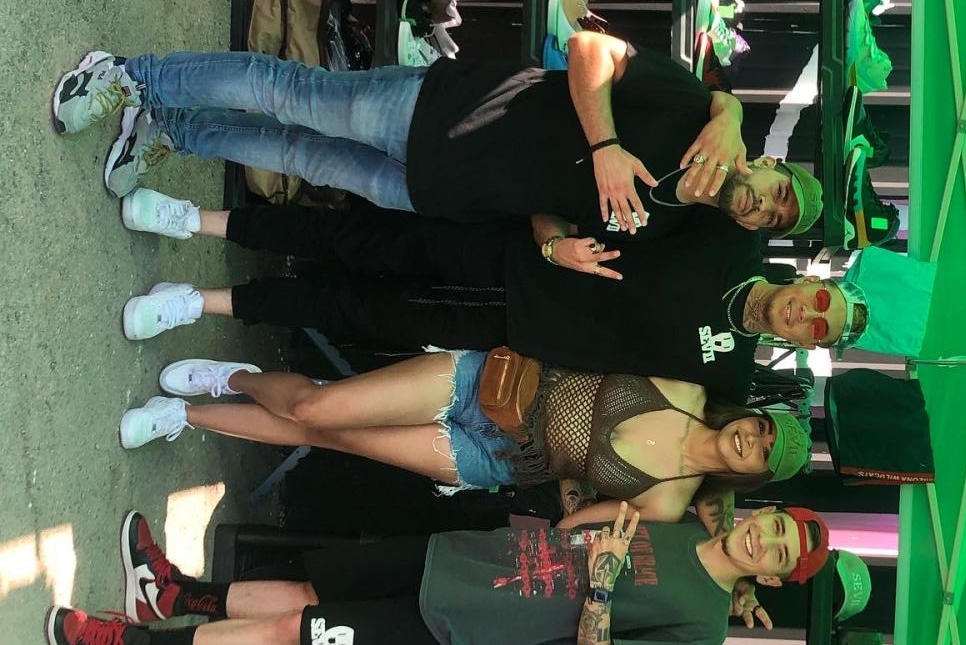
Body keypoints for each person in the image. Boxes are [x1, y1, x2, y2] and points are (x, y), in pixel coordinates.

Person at [51, 32, 821, 244]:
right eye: (780, 193)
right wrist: (607, 147)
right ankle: (128, 78)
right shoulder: (691, 107)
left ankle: (173, 129)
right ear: (769, 165)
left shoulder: (674, 225)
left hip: (434, 192)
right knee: (289, 93)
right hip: (445, 113)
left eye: (775, 221)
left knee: (292, 154)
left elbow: (552, 203)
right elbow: (589, 49)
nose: (766, 207)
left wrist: (556, 245)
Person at [116, 196, 870, 405]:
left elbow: (713, 465)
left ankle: (200, 302)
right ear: (814, 281)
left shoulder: (732, 374)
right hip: (519, 252)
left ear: (807, 346)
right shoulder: (732, 239)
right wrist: (553, 229)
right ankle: (198, 219)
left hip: (512, 329)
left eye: (817, 330)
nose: (805, 316)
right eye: (819, 303)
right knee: (359, 239)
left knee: (356, 311)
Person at [46, 503, 831, 645]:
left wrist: (601, 582)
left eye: (778, 555)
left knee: (296, 629)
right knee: (311, 588)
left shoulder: (702, 631)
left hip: (460, 627)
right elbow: (585, 523)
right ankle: (175, 595)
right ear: (763, 514)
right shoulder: (689, 519)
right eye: (775, 527)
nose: (765, 541)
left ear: (770, 578)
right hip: (460, 557)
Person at [117, 349, 813, 524]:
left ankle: (184, 417)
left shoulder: (669, 501)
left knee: (338, 438)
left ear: (751, 475)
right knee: (318, 408)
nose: (750, 441)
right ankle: (233, 377)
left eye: (761, 454)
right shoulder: (687, 391)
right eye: (759, 429)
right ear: (749, 416)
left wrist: (579, 532)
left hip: (496, 461)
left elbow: (583, 521)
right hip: (494, 385)